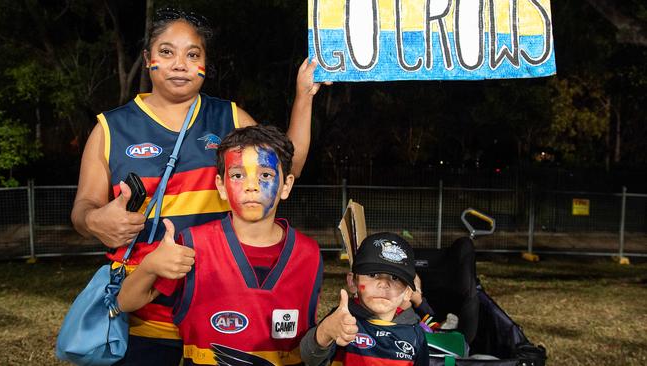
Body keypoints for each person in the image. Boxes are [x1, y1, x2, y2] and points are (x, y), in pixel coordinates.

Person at [70, 8, 323, 365]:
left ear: (205, 62)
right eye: (167, 52)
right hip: (144, 316)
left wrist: (304, 96)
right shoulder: (111, 129)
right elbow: (82, 209)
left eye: (193, 54)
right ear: (147, 59)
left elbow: (286, 165)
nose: (180, 64)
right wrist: (95, 220)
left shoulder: (229, 117)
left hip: (219, 310)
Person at [117, 125, 323, 366]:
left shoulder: (308, 254)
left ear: (286, 185)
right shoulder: (193, 245)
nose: (251, 186)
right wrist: (150, 266)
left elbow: (310, 340)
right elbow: (125, 302)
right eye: (238, 175)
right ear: (221, 186)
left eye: (265, 175)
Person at [300, 232, 430, 366]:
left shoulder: (415, 334)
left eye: (395, 278)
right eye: (373, 274)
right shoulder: (342, 319)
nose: (383, 284)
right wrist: (325, 331)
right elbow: (309, 358)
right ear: (353, 282)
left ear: (408, 292)